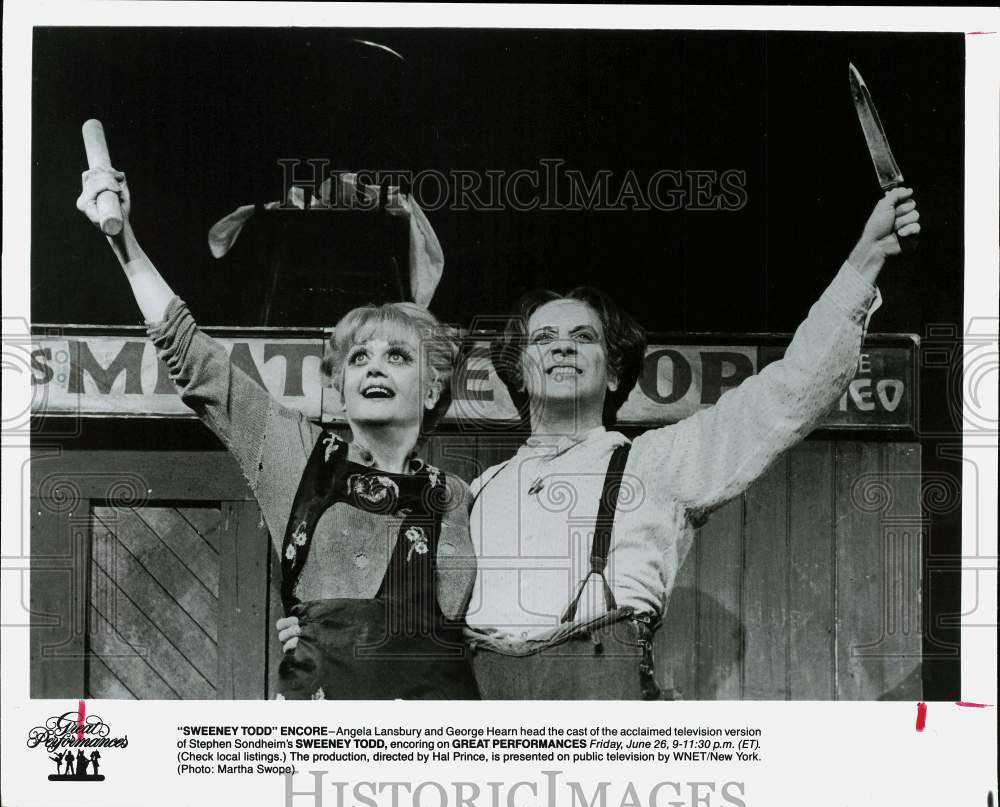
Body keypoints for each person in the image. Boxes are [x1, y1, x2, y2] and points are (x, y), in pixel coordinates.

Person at [278, 187, 921, 699]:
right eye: (543, 339)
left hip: (600, 714)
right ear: (517, 371)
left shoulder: (659, 463)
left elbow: (788, 394)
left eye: (583, 338)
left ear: (614, 371)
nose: (561, 345)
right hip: (480, 725)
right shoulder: (474, 497)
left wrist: (863, 262)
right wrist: (320, 631)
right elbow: (406, 608)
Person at [77, 166, 480, 700]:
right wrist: (124, 240)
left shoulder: (455, 495)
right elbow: (192, 356)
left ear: (431, 391)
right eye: (359, 357)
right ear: (340, 387)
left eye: (398, 356)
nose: (375, 368)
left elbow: (475, 635)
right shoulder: (298, 455)